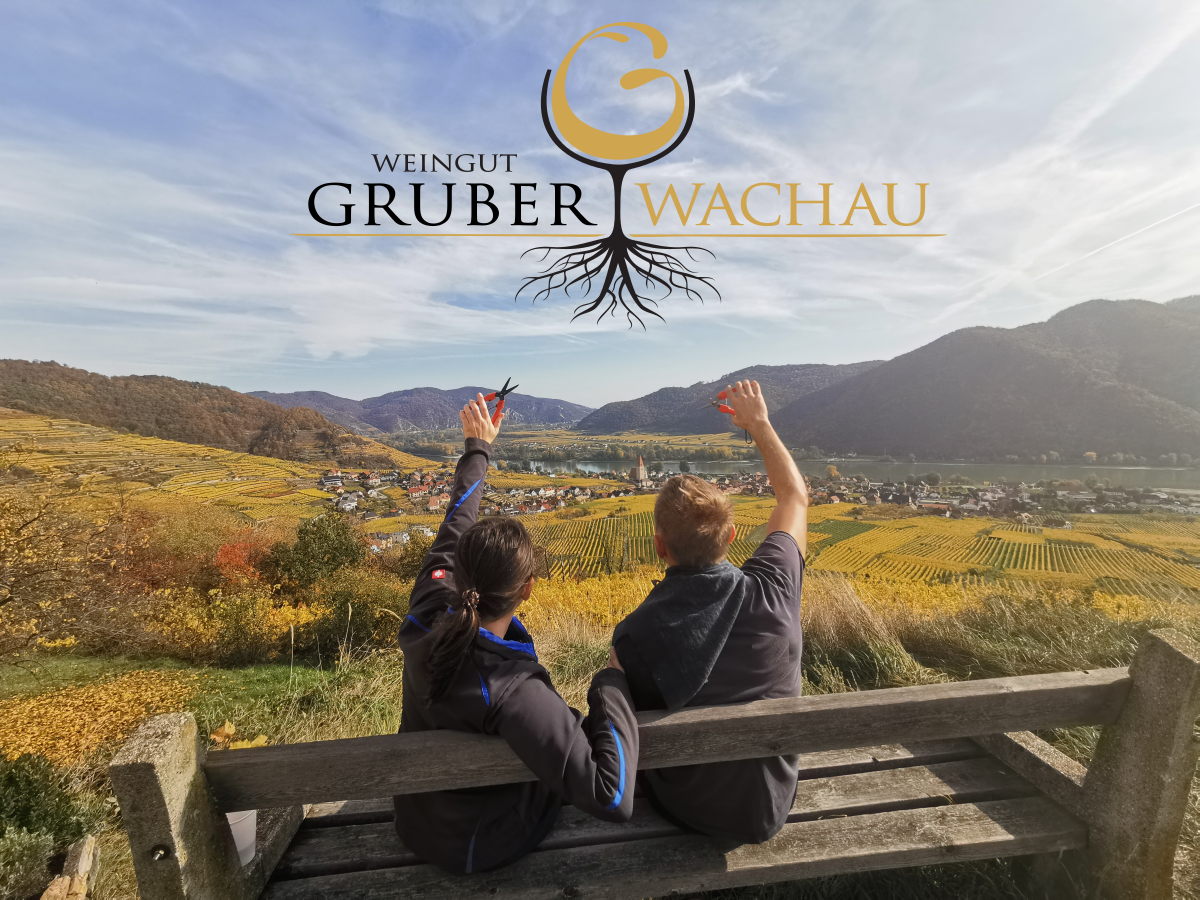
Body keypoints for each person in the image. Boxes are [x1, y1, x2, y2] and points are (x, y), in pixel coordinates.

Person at [394, 394, 637, 874]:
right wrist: (611, 686)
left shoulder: (428, 605)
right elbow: (612, 798)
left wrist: (478, 448)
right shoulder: (512, 689)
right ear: (528, 589)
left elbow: (456, 521)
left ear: (457, 568)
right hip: (480, 842)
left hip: (419, 820)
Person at [610, 379, 808, 843]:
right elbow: (794, 496)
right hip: (769, 806)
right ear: (733, 537)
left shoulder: (636, 635)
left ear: (659, 546)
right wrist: (758, 423)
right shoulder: (776, 588)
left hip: (689, 808)